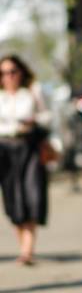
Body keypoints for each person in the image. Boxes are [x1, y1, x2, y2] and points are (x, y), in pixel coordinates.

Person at [0, 55, 52, 265]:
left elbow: (47, 117)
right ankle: (24, 246)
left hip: (28, 147)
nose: (9, 76)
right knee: (13, 198)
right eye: (4, 73)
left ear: (20, 72)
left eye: (12, 71)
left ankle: (27, 251)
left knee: (32, 194)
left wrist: (34, 121)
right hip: (4, 149)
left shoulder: (33, 91)